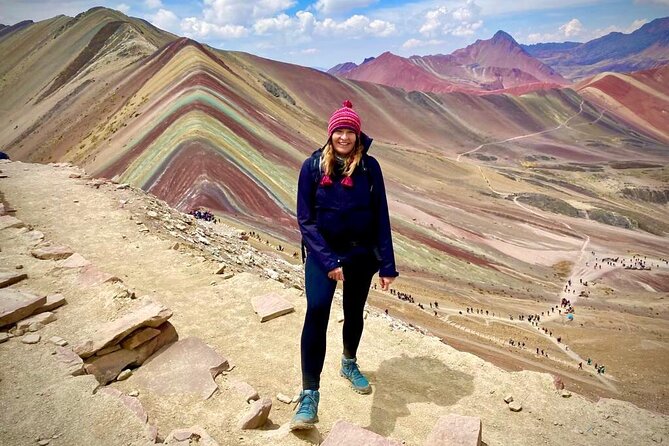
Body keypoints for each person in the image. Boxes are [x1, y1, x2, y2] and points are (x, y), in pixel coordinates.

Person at [291, 100, 399, 430]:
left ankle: (348, 362)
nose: (344, 136)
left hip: (360, 255)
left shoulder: (370, 168)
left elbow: (381, 214)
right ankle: (309, 394)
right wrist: (327, 260)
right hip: (323, 252)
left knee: (354, 312)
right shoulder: (312, 167)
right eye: (339, 130)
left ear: (357, 134)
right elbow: (305, 220)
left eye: (349, 131)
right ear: (330, 133)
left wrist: (387, 265)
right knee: (317, 310)